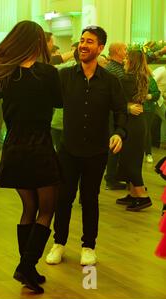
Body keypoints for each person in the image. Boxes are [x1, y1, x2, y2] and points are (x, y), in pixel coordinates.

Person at [0, 21, 62, 294]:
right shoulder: (47, 73)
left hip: (14, 147)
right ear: (36, 42)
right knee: (48, 208)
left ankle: (28, 267)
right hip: (39, 146)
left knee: (29, 208)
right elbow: (60, 102)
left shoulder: (5, 75)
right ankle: (26, 266)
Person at [45, 26, 128, 267]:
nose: (83, 45)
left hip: (96, 151)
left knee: (90, 199)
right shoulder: (65, 77)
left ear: (100, 48)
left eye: (89, 41)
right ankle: (58, 243)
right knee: (64, 198)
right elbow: (46, 94)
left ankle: (88, 246)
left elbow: (121, 111)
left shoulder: (111, 81)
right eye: (81, 41)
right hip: (68, 149)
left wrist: (119, 133)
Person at [115, 50, 158, 211]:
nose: (124, 60)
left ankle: (142, 196)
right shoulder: (143, 77)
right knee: (133, 159)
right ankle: (133, 193)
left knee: (129, 160)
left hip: (130, 124)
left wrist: (126, 107)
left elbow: (117, 101)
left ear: (131, 61)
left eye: (127, 58)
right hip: (138, 123)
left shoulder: (125, 79)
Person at [104, 42, 128, 190]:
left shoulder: (113, 69)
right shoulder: (115, 71)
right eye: (124, 49)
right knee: (114, 145)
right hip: (114, 113)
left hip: (113, 112)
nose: (126, 52)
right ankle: (111, 178)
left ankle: (112, 177)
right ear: (118, 51)